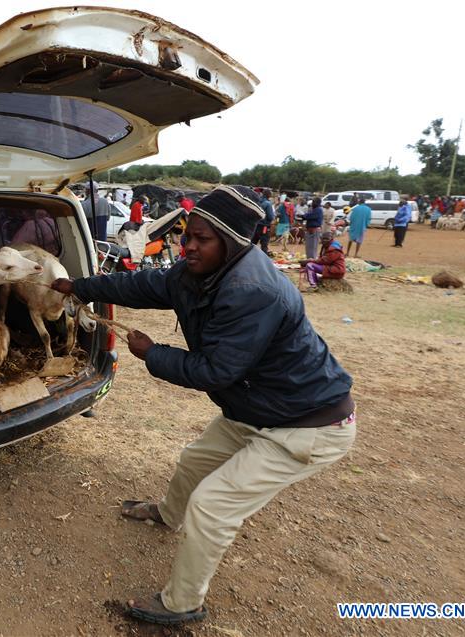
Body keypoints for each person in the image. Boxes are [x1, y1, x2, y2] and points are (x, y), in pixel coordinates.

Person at [51, 185, 355, 626]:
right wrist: (79, 286)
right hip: (256, 408)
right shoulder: (198, 271)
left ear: (231, 242)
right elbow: (144, 283)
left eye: (201, 239)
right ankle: (168, 515)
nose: (188, 245)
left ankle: (181, 605)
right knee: (195, 460)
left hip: (305, 424)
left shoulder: (253, 291)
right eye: (185, 235)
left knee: (212, 506)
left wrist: (153, 353)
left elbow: (215, 371)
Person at [250, 188, 275, 254]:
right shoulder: (268, 204)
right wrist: (273, 217)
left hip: (256, 225)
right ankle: (264, 259)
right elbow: (270, 217)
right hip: (265, 226)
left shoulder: (257, 201)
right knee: (264, 243)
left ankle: (249, 256)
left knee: (253, 242)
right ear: (269, 195)